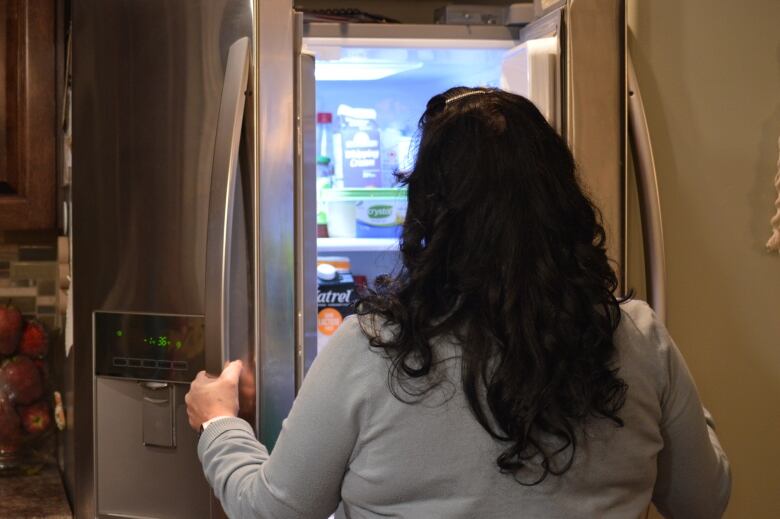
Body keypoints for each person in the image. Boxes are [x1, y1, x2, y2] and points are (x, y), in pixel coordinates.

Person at [185, 87, 731, 518]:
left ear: (431, 214)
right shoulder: (637, 337)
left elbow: (275, 511)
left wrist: (219, 424)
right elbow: (703, 502)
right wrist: (672, 396)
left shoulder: (374, 349)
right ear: (563, 202)